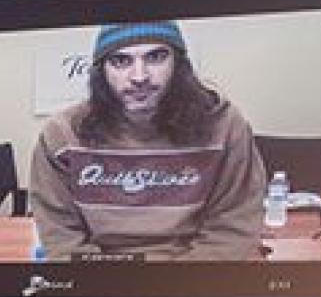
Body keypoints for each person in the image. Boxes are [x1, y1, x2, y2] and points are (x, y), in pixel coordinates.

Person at [28, 21, 267, 261]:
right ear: (100, 71)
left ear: (179, 64)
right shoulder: (61, 135)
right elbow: (63, 240)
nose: (139, 76)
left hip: (199, 279)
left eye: (155, 57)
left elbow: (232, 231)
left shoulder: (226, 127)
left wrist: (169, 292)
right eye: (121, 61)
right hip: (101, 282)